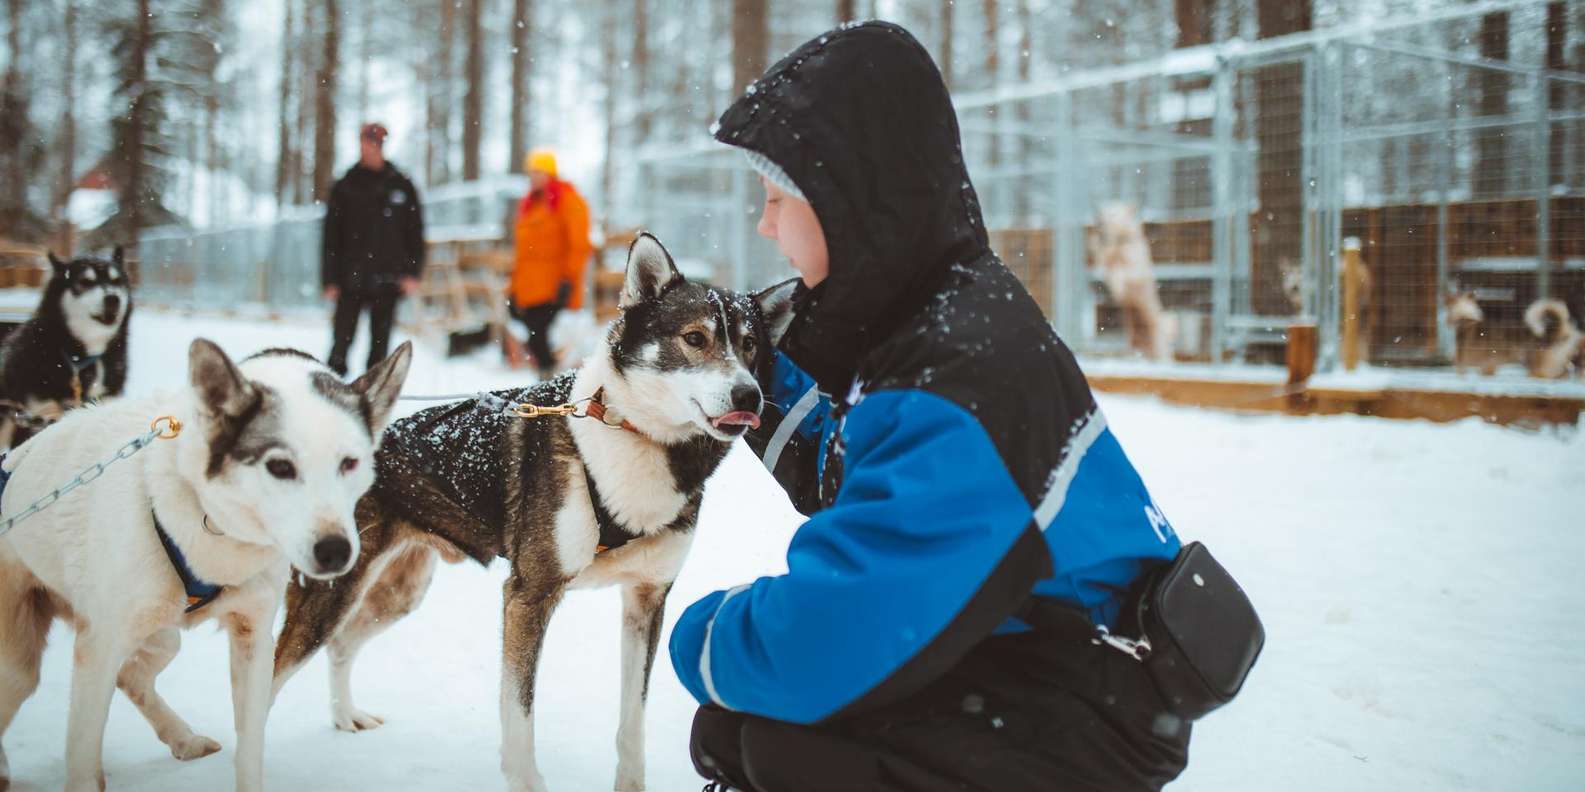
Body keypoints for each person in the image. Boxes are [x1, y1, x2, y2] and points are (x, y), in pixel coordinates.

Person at [668, 22, 1193, 791]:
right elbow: (870, 478)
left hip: (1084, 712)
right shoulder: (946, 310)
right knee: (747, 730)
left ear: (849, 204)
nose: (765, 223)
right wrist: (761, 382)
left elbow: (833, 637)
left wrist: (697, 636)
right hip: (1066, 662)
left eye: (778, 197)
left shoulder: (954, 372)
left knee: (779, 743)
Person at [321, 122, 425, 376]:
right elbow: (331, 237)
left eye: (376, 142)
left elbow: (416, 233)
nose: (371, 148)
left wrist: (413, 272)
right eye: (367, 142)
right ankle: (334, 388)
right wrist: (330, 279)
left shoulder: (401, 185)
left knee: (380, 349)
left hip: (388, 279)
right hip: (350, 278)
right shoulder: (345, 186)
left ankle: (373, 398)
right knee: (341, 342)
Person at [507, 147, 592, 377]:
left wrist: (568, 280)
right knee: (537, 340)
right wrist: (513, 290)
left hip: (553, 289)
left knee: (546, 341)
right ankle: (547, 382)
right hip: (529, 290)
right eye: (531, 173)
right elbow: (523, 253)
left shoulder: (569, 201)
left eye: (538, 172)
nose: (533, 177)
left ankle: (550, 385)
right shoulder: (530, 205)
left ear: (550, 174)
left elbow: (579, 245)